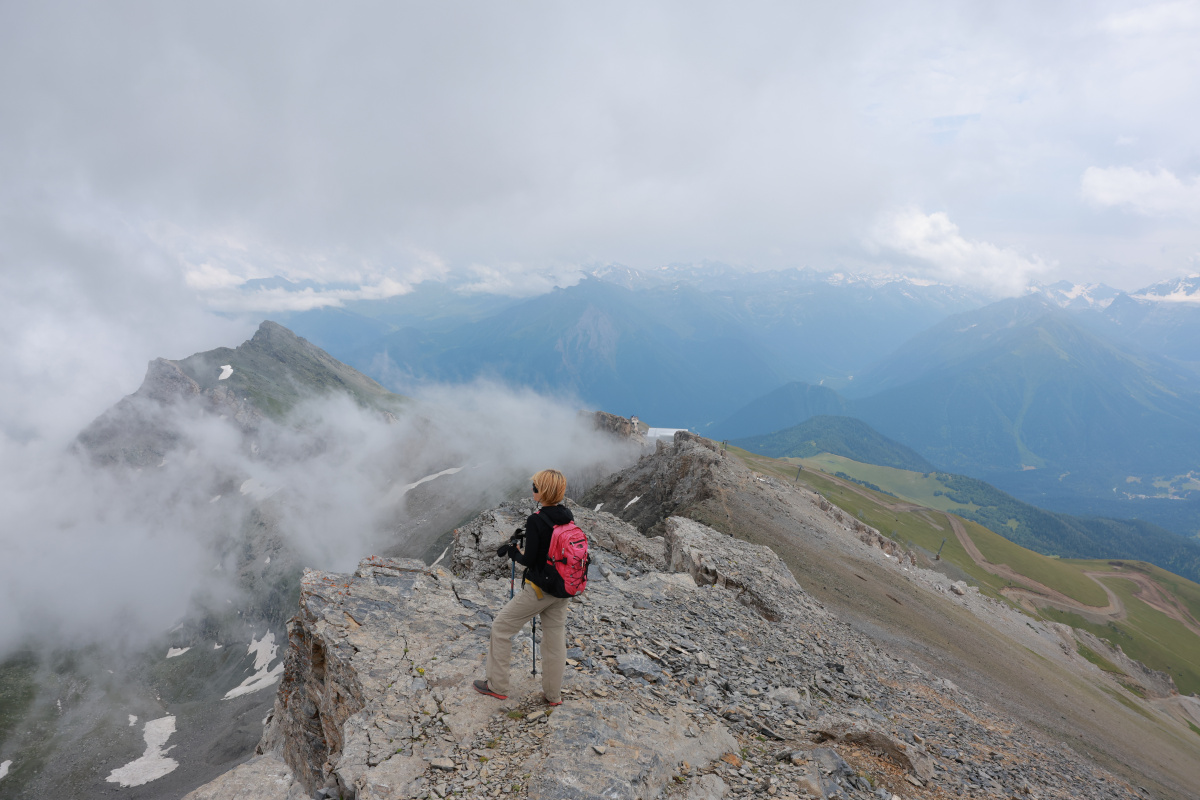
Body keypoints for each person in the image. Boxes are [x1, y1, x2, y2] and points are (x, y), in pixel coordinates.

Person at [473, 469, 573, 705]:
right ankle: (553, 695)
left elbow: (528, 561)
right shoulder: (567, 516)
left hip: (540, 590)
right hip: (563, 588)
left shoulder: (537, 519)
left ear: (543, 491)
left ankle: (496, 685)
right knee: (555, 639)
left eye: (535, 487)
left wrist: (513, 552)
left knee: (501, 627)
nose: (532, 490)